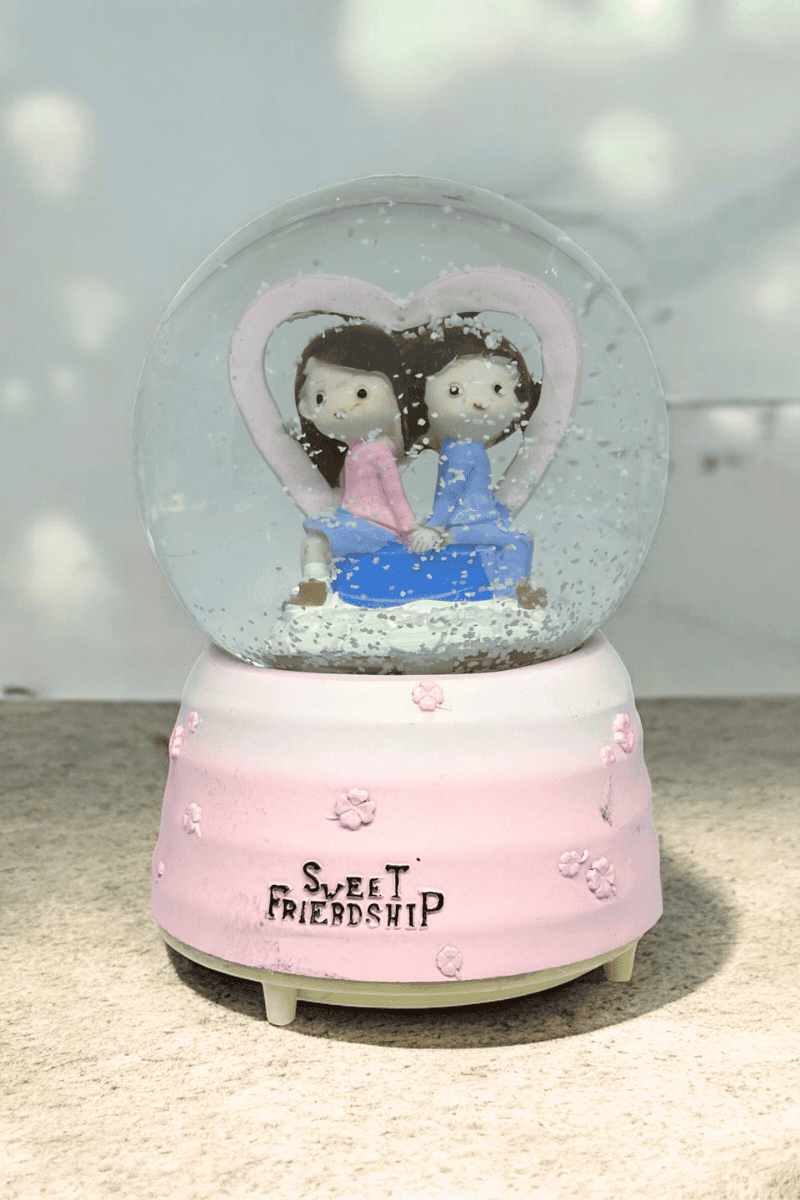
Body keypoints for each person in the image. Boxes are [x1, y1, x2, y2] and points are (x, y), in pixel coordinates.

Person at [402, 316, 547, 607]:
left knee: (509, 538)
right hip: (465, 524)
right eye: (455, 390)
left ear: (519, 403)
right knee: (518, 540)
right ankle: (507, 594)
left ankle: (501, 587)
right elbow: (450, 491)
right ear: (425, 394)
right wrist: (435, 526)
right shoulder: (462, 449)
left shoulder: (464, 446)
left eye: (497, 389)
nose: (479, 402)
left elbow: (463, 489)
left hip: (477, 517)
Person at [287, 322, 428, 606]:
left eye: (361, 393)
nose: (340, 408)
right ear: (307, 408)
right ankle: (318, 587)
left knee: (316, 542)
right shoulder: (354, 453)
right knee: (317, 540)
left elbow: (394, 494)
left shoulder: (379, 451)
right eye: (321, 398)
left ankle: (316, 587)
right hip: (356, 521)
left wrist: (409, 531)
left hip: (376, 526)